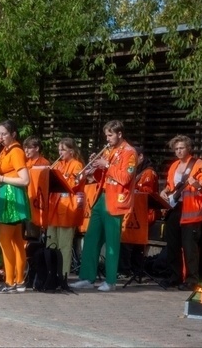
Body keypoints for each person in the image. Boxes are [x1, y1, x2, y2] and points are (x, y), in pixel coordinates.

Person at [71, 120, 137, 292]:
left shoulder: (130, 153)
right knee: (91, 238)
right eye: (106, 135)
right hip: (102, 197)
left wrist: (106, 165)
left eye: (110, 135)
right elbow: (103, 177)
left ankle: (111, 281)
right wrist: (96, 167)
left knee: (112, 242)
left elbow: (124, 178)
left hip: (116, 200)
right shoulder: (110, 151)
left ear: (119, 134)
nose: (107, 139)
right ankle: (87, 277)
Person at [160, 135, 202, 291]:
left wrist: (197, 185)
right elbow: (171, 186)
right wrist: (164, 191)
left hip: (191, 211)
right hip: (174, 208)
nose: (178, 151)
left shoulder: (199, 165)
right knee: (172, 245)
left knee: (190, 248)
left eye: (181, 148)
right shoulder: (174, 165)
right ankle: (174, 277)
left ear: (189, 148)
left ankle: (191, 280)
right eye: (176, 149)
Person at [0, 119, 31, 294]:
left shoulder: (16, 151)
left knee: (4, 241)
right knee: (17, 242)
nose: (0, 137)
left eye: (4, 133)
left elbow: (25, 180)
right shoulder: (6, 150)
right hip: (10, 196)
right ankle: (19, 281)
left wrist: (0, 179)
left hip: (11, 198)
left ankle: (10, 282)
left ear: (13, 134)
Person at [47, 138, 84, 278]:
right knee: (52, 242)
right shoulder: (58, 165)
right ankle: (51, 272)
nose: (60, 152)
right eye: (59, 149)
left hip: (68, 208)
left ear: (71, 151)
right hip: (54, 208)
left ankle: (63, 275)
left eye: (63, 150)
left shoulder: (77, 165)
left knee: (64, 245)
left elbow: (73, 184)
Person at [119, 146, 158, 277]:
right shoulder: (136, 171)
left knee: (133, 242)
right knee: (129, 241)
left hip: (143, 215)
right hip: (134, 213)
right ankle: (130, 269)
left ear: (140, 157)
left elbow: (149, 193)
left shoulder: (148, 173)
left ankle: (132, 269)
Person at [23, 136, 50, 240]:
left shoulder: (44, 163)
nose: (26, 150)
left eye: (29, 147)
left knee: (33, 233)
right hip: (25, 199)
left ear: (37, 149)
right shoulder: (25, 163)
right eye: (25, 147)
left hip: (36, 202)